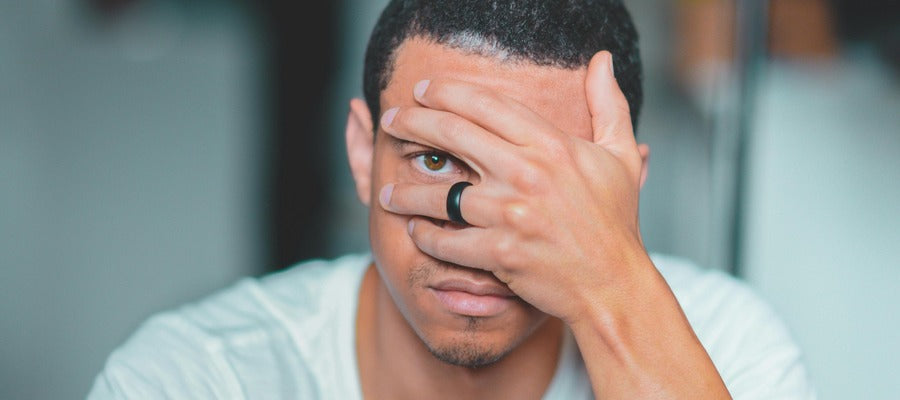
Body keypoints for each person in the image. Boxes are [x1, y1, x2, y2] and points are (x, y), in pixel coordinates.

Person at [89, 1, 814, 398]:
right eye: (435, 159)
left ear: (625, 188)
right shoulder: (195, 377)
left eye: (538, 178)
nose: (478, 232)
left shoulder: (723, 345)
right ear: (363, 155)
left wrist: (614, 287)